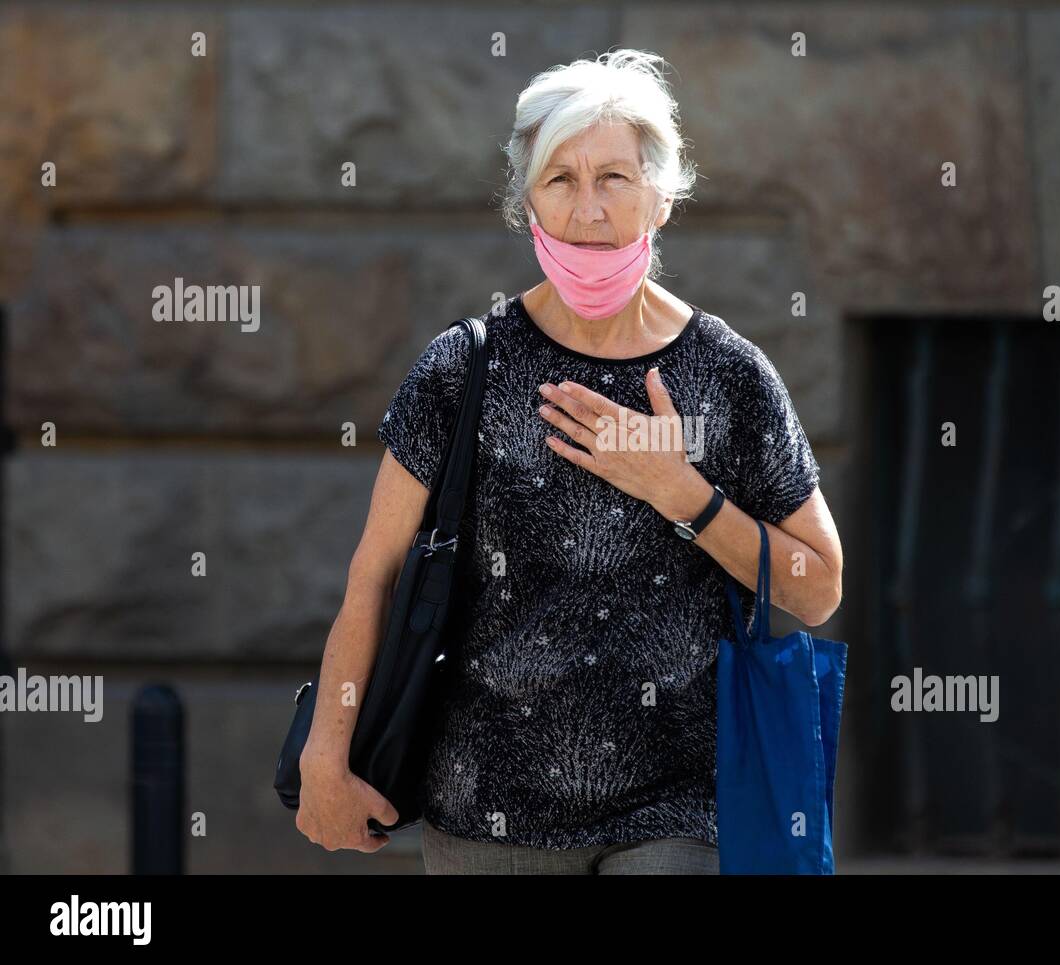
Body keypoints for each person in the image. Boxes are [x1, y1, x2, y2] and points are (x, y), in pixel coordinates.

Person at [295, 48, 843, 875]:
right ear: (527, 203)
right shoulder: (461, 369)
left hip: (679, 809)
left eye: (615, 178)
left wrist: (685, 496)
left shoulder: (729, 374)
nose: (589, 209)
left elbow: (817, 585)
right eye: (560, 180)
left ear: (662, 193)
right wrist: (324, 756)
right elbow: (374, 572)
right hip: (486, 806)